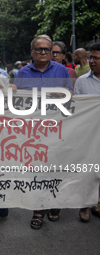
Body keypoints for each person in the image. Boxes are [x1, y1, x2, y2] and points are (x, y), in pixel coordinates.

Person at [15, 34, 73, 230]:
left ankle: (55, 203)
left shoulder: (62, 70)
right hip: (33, 132)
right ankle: (38, 209)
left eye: (46, 49)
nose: (43, 52)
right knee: (37, 172)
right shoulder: (22, 73)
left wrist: (64, 95)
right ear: (32, 51)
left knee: (57, 168)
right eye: (38, 49)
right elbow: (16, 103)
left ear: (51, 52)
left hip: (57, 130)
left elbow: (72, 97)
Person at [74, 42, 100, 221]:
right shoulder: (82, 82)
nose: (92, 61)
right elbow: (77, 108)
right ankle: (85, 205)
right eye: (91, 57)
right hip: (89, 133)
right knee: (89, 170)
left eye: (97, 58)